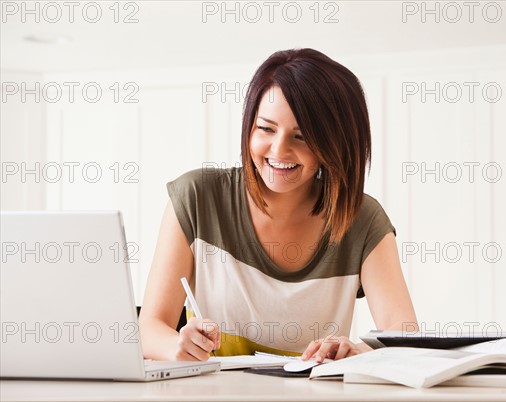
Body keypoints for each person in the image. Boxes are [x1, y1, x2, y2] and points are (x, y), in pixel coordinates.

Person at [139, 48, 417, 363]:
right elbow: (150, 327)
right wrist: (176, 347)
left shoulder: (361, 219)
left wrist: (361, 352)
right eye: (266, 129)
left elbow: (404, 335)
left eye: (301, 137)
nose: (278, 150)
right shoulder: (197, 198)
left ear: (335, 145)